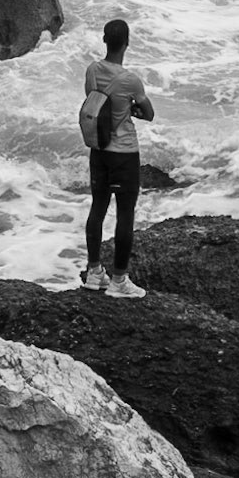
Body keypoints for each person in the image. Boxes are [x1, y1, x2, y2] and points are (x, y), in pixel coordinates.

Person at [83, 17, 154, 297]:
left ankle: (93, 272)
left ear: (104, 41)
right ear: (126, 43)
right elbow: (148, 114)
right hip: (123, 154)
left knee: (97, 208)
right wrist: (132, 110)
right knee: (125, 214)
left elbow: (94, 100)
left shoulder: (92, 70)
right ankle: (119, 281)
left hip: (98, 151)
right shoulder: (131, 80)